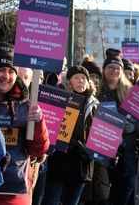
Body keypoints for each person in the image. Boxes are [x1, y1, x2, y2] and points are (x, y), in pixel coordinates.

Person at [0, 43, 49, 205]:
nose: (6, 76)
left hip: (14, 192)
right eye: (1, 70)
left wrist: (38, 122)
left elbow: (37, 150)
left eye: (11, 71)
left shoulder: (26, 106)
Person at [42, 65, 98, 205]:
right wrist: (72, 143)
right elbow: (51, 129)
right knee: (51, 201)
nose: (81, 81)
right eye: (76, 77)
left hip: (82, 165)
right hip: (60, 163)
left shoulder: (94, 104)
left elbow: (99, 134)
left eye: (84, 78)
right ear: (68, 81)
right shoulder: (59, 100)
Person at [97, 50, 138, 205]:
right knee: (105, 196)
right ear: (104, 70)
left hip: (127, 153)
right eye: (110, 67)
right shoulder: (96, 91)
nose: (114, 70)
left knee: (125, 190)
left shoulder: (131, 93)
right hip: (103, 150)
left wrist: (133, 128)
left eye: (118, 68)